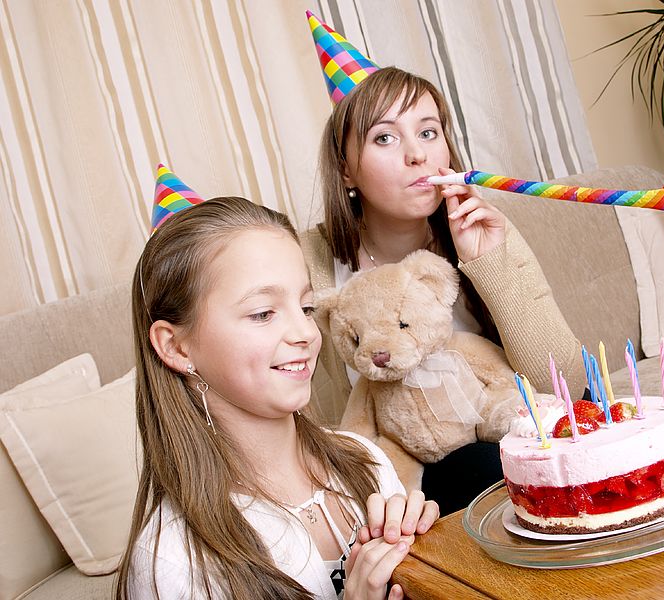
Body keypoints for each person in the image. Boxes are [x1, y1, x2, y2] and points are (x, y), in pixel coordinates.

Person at [301, 13, 585, 514]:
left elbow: (564, 385)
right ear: (345, 168)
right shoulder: (311, 262)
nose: (417, 155)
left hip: (507, 451)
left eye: (429, 132)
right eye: (384, 138)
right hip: (394, 485)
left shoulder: (486, 230)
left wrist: (488, 265)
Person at [115, 175, 439, 599]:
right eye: (264, 313)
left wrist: (433, 565)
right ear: (175, 346)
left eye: (305, 306)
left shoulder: (366, 462)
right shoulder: (174, 560)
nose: (305, 331)